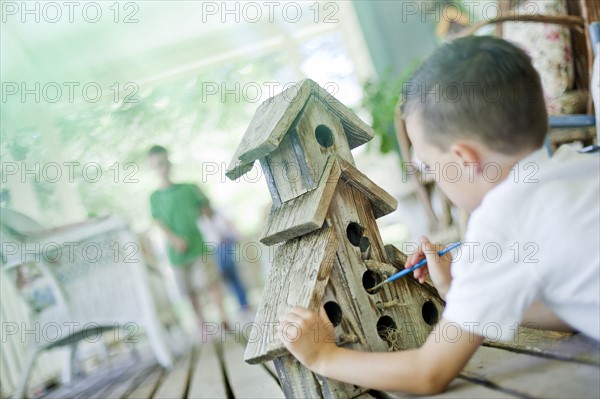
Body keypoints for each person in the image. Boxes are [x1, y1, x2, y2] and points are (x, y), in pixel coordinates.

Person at [276, 36, 600, 395]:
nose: (434, 178)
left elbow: (428, 372)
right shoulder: (582, 163)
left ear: (464, 159)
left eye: (431, 167)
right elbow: (574, 310)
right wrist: (460, 291)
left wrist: (322, 356)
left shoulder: (499, 223)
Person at [147, 145, 228, 337]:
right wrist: (174, 240)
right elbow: (159, 223)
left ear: (170, 163)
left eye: (164, 162)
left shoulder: (189, 188)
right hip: (176, 253)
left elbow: (207, 212)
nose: (162, 167)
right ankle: (202, 325)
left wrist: (205, 201)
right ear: (152, 167)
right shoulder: (154, 197)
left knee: (211, 283)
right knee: (189, 291)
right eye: (157, 164)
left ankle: (223, 317)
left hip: (198, 246)